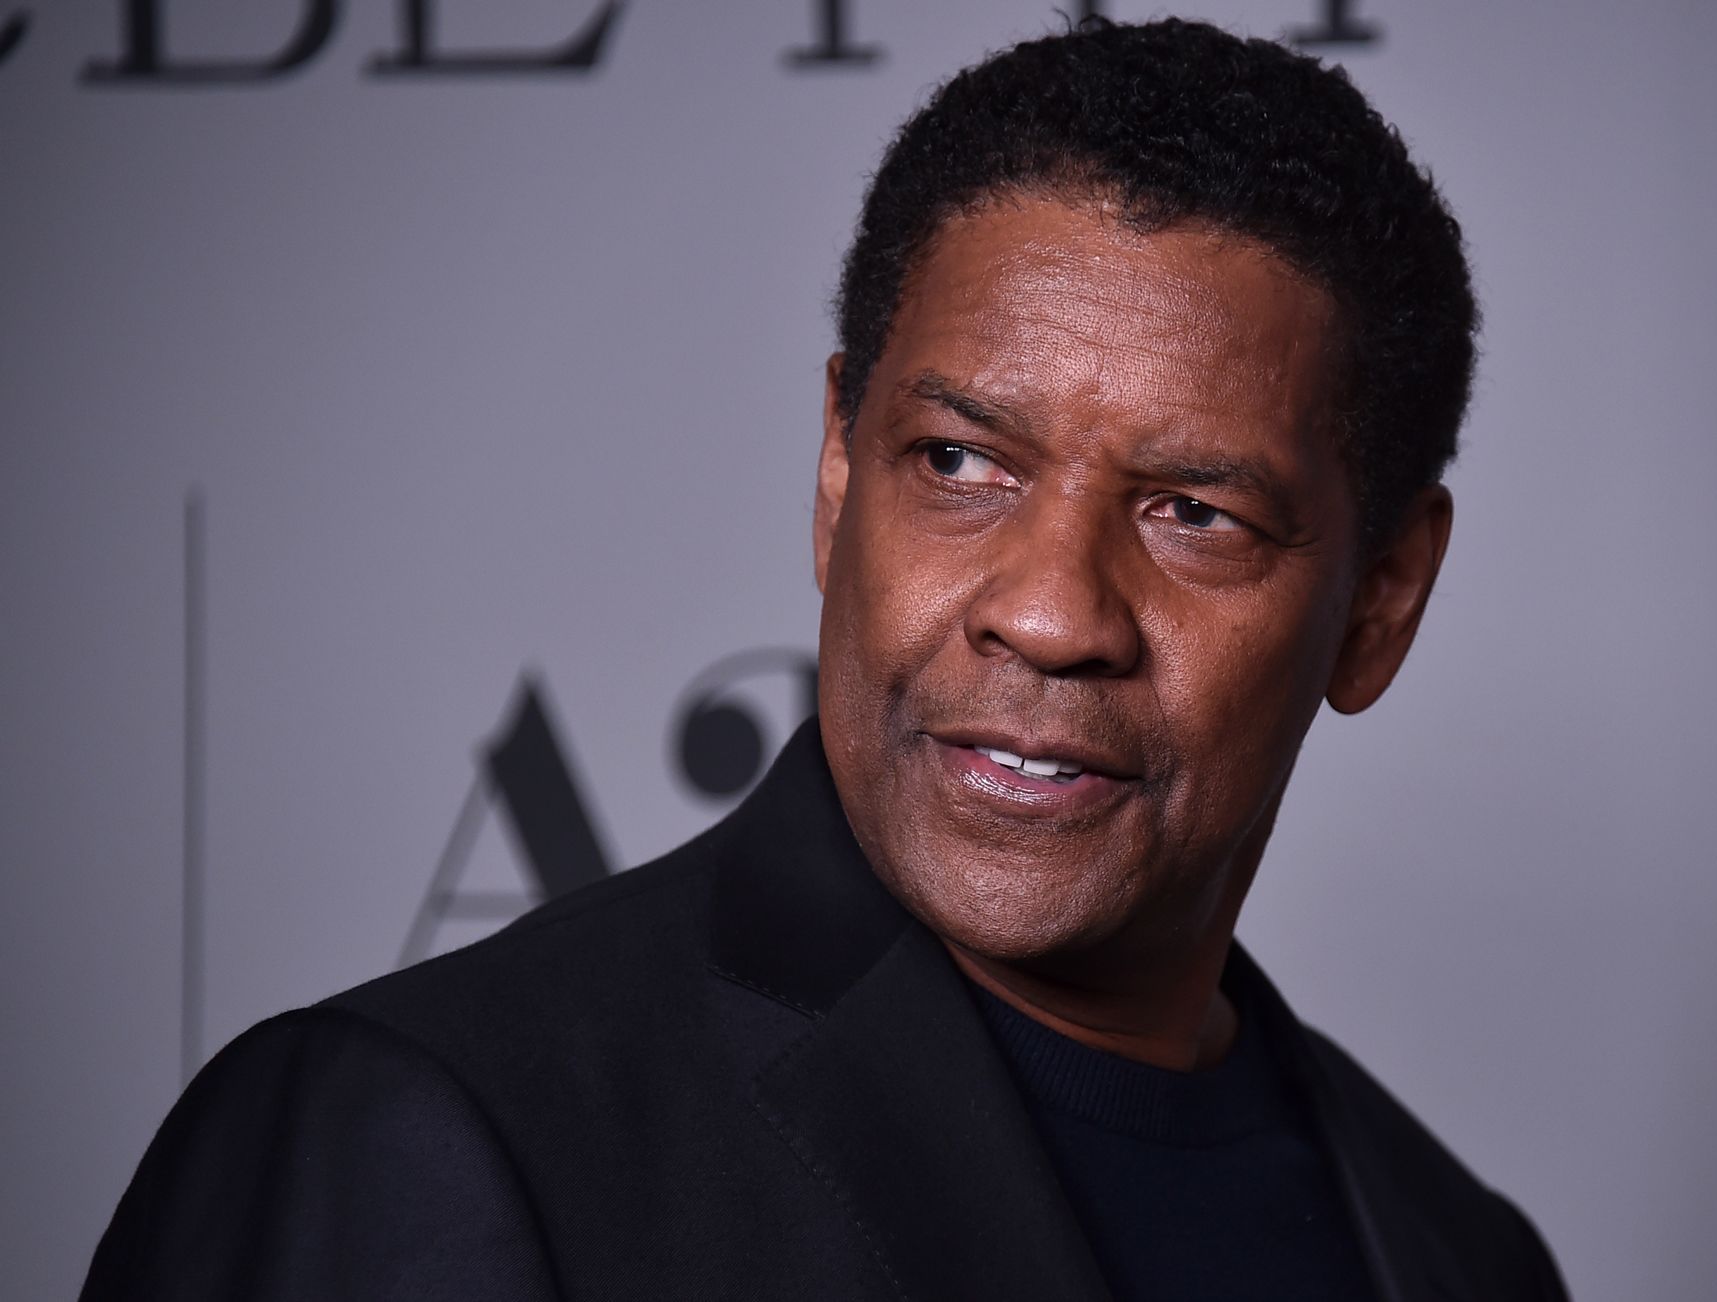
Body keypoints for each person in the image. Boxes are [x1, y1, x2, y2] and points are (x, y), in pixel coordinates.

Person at [85, 18, 1568, 1301]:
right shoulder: (421, 1129)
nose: (1050, 615)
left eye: (1194, 513)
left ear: (1381, 601)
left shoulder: (1461, 1258)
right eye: (959, 460)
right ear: (838, 474)